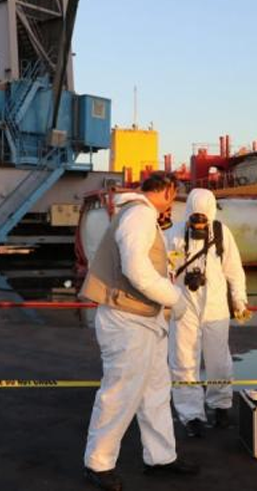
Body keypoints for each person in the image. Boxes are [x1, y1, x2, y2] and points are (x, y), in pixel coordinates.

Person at [80, 172, 198, 491]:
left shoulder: (134, 213)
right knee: (120, 393)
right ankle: (98, 463)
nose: (172, 203)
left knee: (155, 391)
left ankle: (161, 457)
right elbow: (137, 270)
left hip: (142, 318)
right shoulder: (140, 215)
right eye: (173, 195)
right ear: (168, 191)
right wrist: (176, 299)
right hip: (127, 320)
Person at [167, 188, 249, 438]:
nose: (199, 224)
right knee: (183, 361)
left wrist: (239, 300)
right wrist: (166, 300)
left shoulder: (222, 234)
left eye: (203, 219)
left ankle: (221, 405)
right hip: (183, 306)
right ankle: (190, 414)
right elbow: (163, 270)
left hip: (215, 307)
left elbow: (234, 271)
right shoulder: (174, 234)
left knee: (219, 361)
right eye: (195, 218)